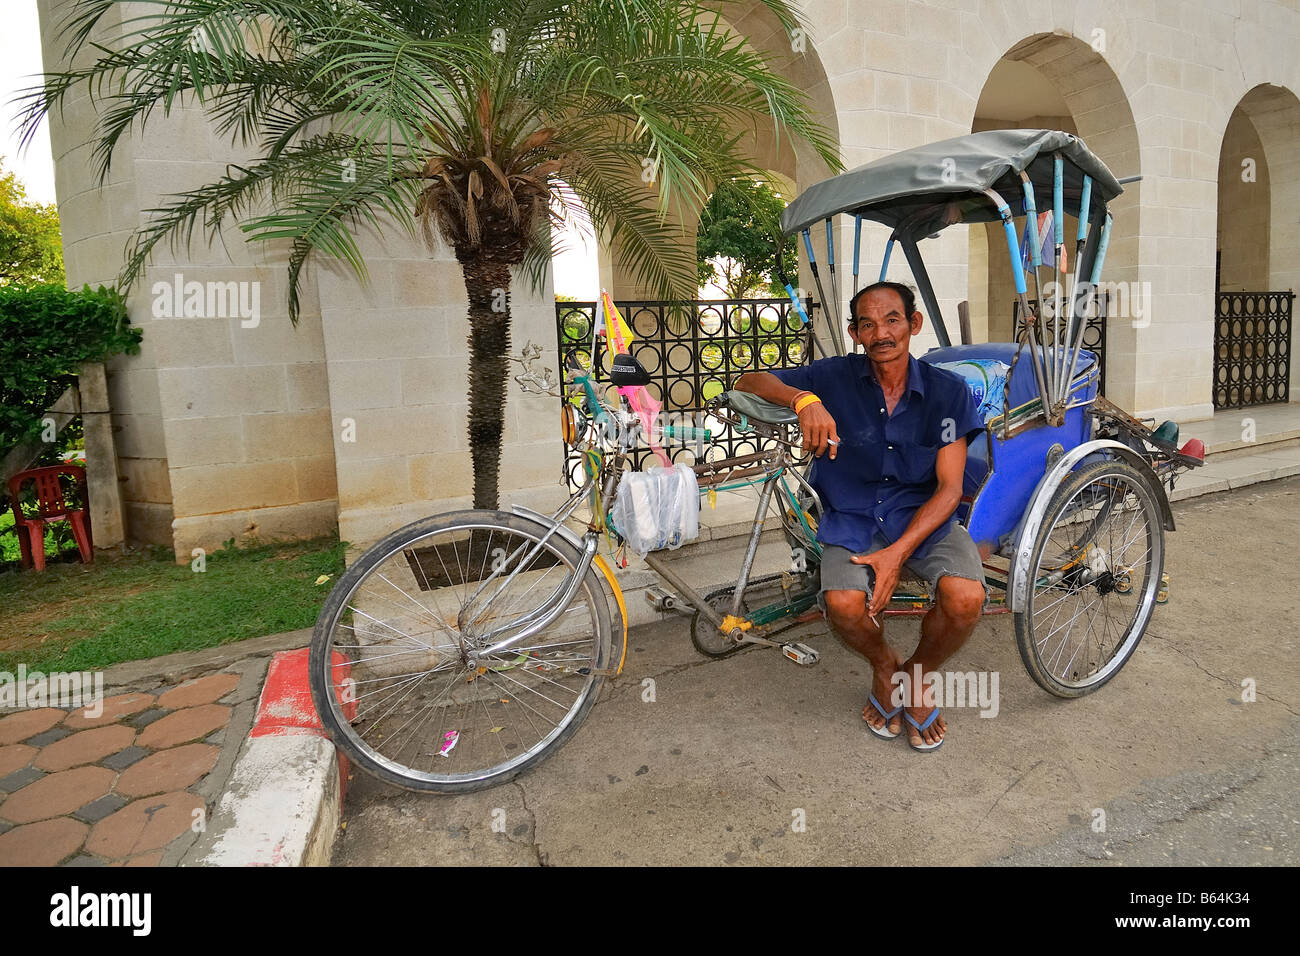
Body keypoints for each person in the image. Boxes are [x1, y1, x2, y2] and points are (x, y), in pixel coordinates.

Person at [733, 281, 986, 751]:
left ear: (914, 324)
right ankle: (885, 665)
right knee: (844, 607)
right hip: (851, 515)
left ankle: (917, 674)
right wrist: (802, 400)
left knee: (967, 598)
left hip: (921, 516)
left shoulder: (946, 393)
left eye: (892, 320)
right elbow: (747, 382)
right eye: (867, 324)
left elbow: (951, 488)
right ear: (855, 333)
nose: (881, 333)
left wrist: (895, 556)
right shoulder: (833, 377)